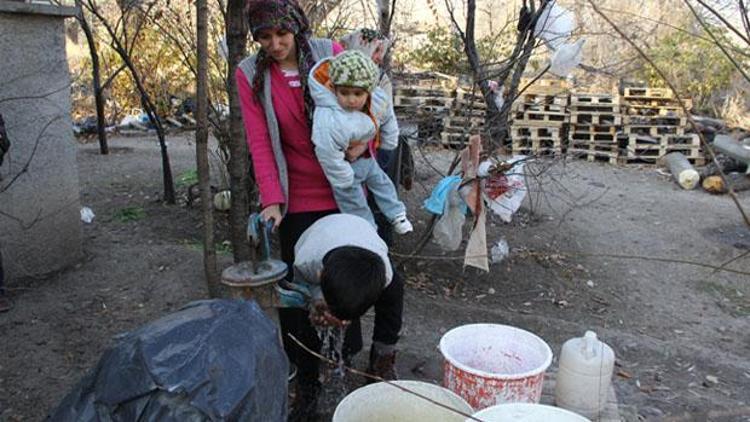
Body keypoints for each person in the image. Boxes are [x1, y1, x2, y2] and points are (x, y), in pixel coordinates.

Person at [236, 1, 404, 420]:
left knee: (357, 277)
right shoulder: (249, 74)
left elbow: (377, 99)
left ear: (297, 28)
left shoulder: (331, 53)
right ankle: (307, 380)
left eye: (282, 35)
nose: (274, 45)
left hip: (345, 188)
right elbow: (259, 141)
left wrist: (367, 143)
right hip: (296, 195)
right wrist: (271, 198)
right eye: (264, 38)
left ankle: (352, 359)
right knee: (297, 292)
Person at [308, 50, 412, 233]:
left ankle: (397, 215)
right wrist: (344, 177)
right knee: (352, 201)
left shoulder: (376, 100)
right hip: (345, 168)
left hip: (366, 159)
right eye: (344, 93)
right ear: (333, 89)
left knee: (382, 183)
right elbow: (326, 151)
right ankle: (366, 229)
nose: (351, 100)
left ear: (369, 91)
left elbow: (387, 116)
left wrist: (388, 143)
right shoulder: (328, 116)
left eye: (358, 93)